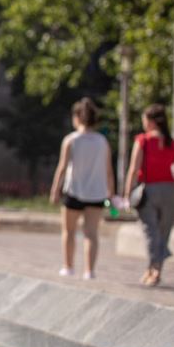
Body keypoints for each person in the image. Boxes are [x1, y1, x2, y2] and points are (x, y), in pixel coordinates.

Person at [49, 97, 115, 279]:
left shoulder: (71, 140)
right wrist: (111, 192)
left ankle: (68, 266)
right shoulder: (102, 141)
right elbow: (109, 170)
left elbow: (62, 167)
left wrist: (55, 190)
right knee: (91, 233)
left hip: (74, 191)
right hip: (96, 193)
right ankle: (89, 271)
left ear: (77, 117)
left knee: (69, 231)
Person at [123, 104, 174, 287]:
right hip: (170, 191)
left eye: (144, 120)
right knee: (163, 233)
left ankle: (155, 269)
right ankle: (153, 268)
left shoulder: (142, 141)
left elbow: (133, 169)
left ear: (150, 122)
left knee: (151, 232)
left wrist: (127, 194)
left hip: (148, 191)